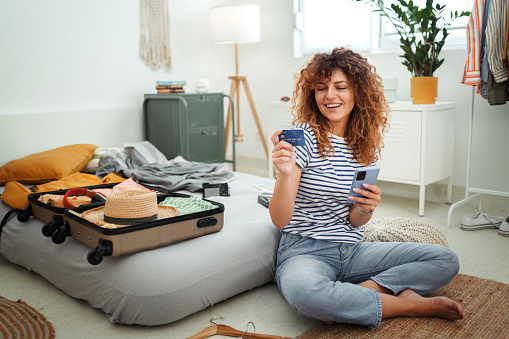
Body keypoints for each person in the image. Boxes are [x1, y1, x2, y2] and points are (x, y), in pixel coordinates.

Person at [269, 47, 463, 327]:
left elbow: (355, 221)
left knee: (445, 260)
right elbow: (280, 219)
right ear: (313, 95)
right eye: (321, 88)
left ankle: (356, 296)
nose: (329, 95)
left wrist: (366, 208)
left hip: (352, 251)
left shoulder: (362, 146)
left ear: (357, 92)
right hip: (304, 251)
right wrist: (285, 174)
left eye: (340, 87)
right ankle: (406, 305)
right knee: (306, 293)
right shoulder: (304, 138)